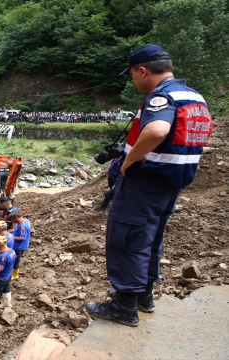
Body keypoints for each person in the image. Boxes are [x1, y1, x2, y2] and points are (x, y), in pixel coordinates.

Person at [86, 44, 213, 327]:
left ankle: (125, 305)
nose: (133, 80)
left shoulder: (162, 97)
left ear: (143, 71)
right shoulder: (193, 96)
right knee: (150, 237)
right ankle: (144, 294)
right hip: (171, 182)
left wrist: (130, 159)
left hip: (145, 180)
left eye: (132, 74)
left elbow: (157, 130)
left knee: (128, 238)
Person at [9, 211, 31, 280]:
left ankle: (15, 274)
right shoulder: (26, 221)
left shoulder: (23, 226)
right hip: (23, 245)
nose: (13, 222)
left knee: (16, 260)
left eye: (13, 220)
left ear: (16, 218)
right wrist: (13, 230)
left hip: (19, 247)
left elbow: (21, 238)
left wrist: (11, 237)